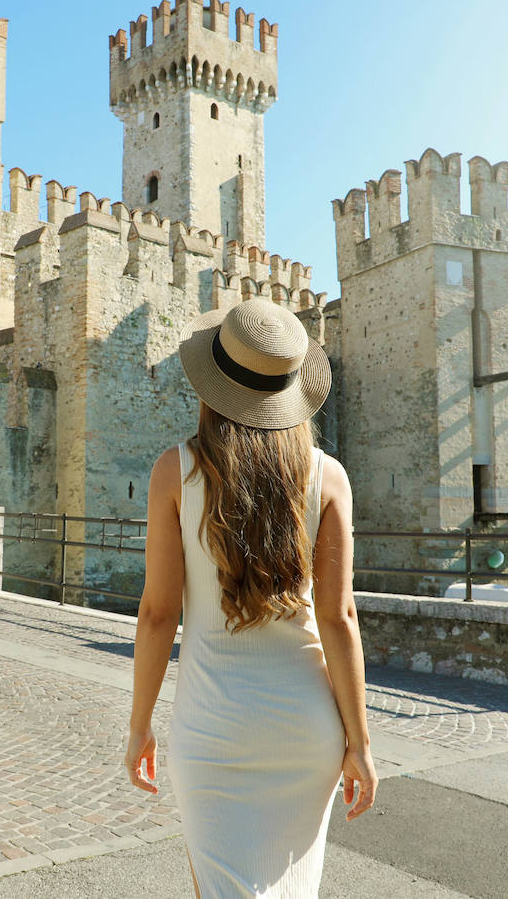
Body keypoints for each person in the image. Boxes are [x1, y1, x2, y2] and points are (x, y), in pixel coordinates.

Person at [125, 298, 378, 898]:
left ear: (213, 385)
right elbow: (340, 618)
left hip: (214, 730)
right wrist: (360, 744)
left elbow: (158, 614)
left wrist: (139, 727)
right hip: (306, 731)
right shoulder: (329, 476)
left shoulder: (175, 471)